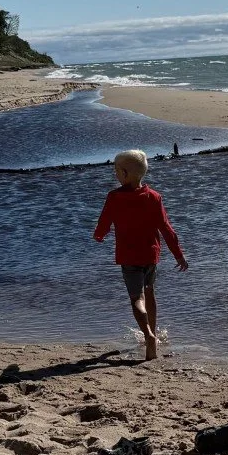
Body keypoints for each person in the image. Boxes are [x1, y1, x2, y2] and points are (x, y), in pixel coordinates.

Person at [93, 149, 188, 361]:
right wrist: (178, 254)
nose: (115, 175)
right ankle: (151, 335)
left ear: (125, 174)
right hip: (151, 255)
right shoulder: (154, 197)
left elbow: (104, 222)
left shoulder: (114, 197)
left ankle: (149, 335)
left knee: (137, 299)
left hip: (129, 257)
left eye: (117, 171)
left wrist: (99, 235)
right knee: (150, 291)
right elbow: (166, 229)